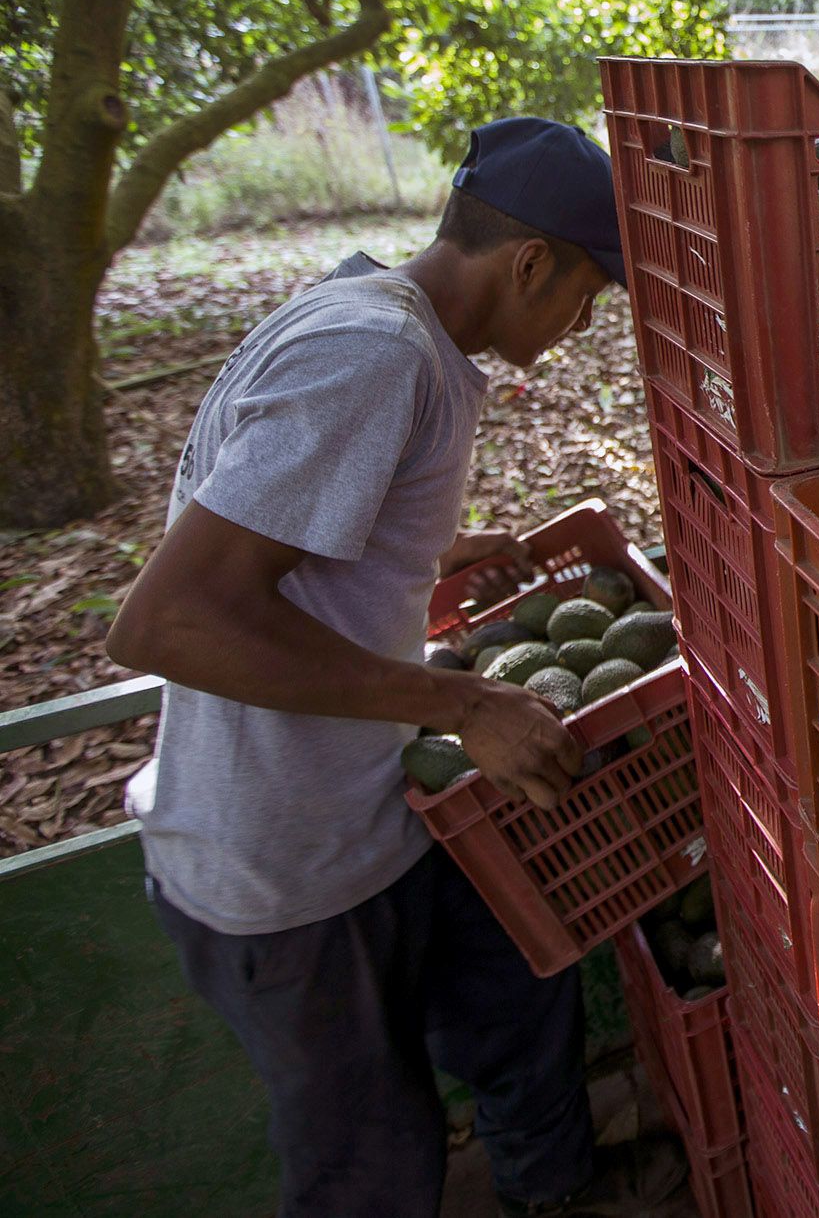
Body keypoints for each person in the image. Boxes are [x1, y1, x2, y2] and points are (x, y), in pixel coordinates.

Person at [107, 118, 675, 1217]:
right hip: (287, 875)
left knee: (521, 994)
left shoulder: (373, 317)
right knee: (373, 1164)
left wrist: (417, 553)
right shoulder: (372, 355)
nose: (579, 323)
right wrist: (461, 700)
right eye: (585, 297)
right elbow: (167, 622)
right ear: (528, 263)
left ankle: (557, 1192)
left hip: (377, 812)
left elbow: (280, 519)